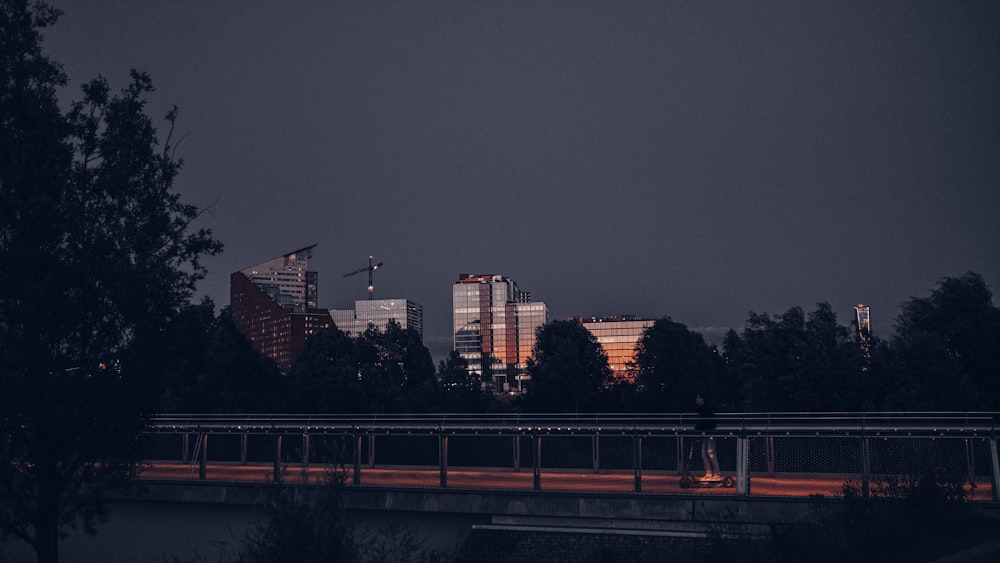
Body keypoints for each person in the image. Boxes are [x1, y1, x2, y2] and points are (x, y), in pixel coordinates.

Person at [695, 393, 721, 480]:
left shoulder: (707, 408)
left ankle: (717, 473)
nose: (696, 400)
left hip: (710, 432)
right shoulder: (701, 409)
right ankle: (709, 472)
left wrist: (699, 428)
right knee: (704, 452)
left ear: (702, 399)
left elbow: (707, 421)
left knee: (710, 452)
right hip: (705, 432)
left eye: (698, 398)